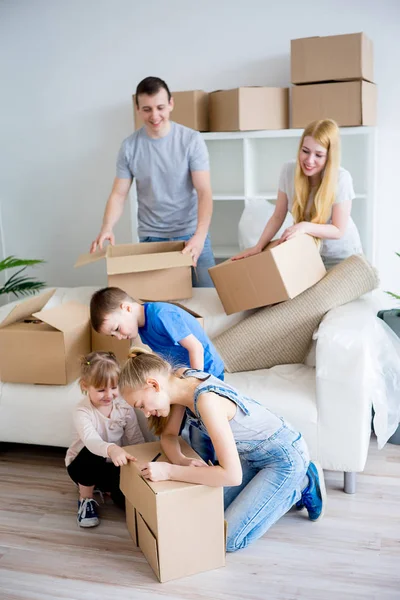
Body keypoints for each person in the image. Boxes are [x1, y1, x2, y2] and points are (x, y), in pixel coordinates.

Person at [118, 347, 327, 552]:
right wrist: (181, 460)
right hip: (252, 457)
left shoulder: (206, 401)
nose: (145, 414)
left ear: (153, 385)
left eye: (141, 405)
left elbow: (231, 476)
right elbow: (169, 436)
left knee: (227, 539)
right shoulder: (179, 380)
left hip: (284, 457)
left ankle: (302, 484)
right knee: (208, 516)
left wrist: (169, 471)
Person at [90, 76, 215, 287]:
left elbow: (204, 192)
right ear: (137, 109)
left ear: (171, 104)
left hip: (191, 235)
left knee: (209, 299)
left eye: (160, 107)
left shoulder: (191, 140)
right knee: (160, 303)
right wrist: (107, 227)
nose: (155, 115)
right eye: (147, 109)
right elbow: (119, 194)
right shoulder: (130, 147)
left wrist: (200, 236)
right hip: (152, 237)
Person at [90, 286, 224, 460]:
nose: (119, 337)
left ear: (126, 308)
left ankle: (211, 466)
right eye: (113, 336)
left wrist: (194, 384)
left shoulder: (161, 314)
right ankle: (186, 463)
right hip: (181, 380)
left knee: (201, 431)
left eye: (116, 329)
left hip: (205, 375)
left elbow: (196, 348)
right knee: (177, 427)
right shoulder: (143, 330)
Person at [233, 119, 363, 269]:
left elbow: (338, 230)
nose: (309, 160)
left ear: (329, 157)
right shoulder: (289, 171)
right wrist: (258, 246)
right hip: (309, 251)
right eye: (305, 151)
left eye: (319, 155)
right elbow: (278, 216)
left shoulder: (341, 178)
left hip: (341, 257)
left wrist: (304, 226)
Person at [65, 351, 144, 528]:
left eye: (114, 388)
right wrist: (111, 449)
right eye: (101, 390)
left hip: (112, 465)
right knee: (95, 452)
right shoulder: (82, 411)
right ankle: (85, 498)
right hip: (82, 466)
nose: (109, 395)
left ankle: (106, 489)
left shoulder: (124, 407)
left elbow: (135, 438)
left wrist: (143, 463)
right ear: (85, 386)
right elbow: (91, 440)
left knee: (130, 503)